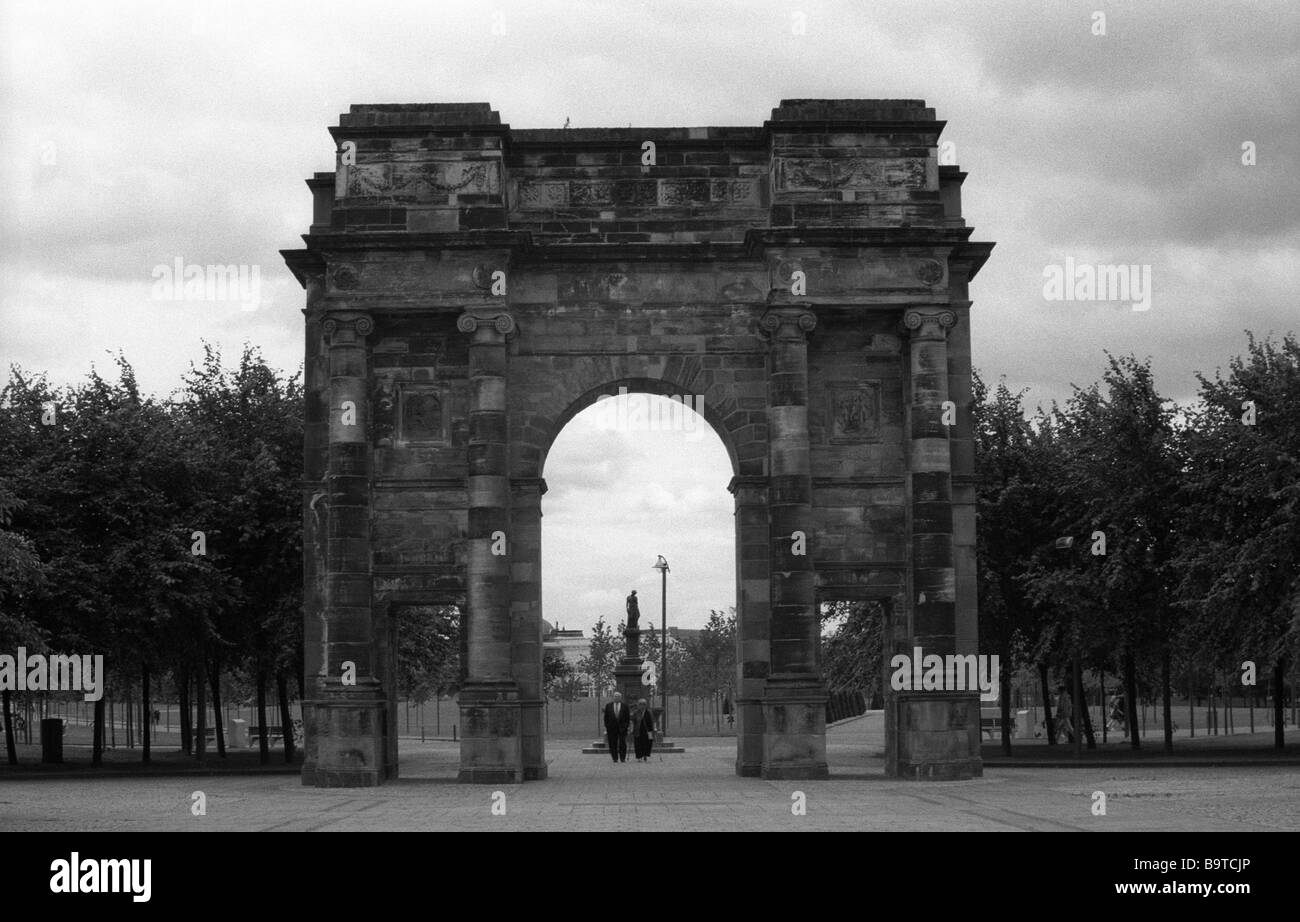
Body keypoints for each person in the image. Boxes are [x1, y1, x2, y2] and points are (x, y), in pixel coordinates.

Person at [603, 692, 630, 763]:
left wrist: (626, 726)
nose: (616, 697)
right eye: (615, 696)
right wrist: (607, 726)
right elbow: (606, 718)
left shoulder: (625, 706)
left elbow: (627, 718)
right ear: (613, 697)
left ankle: (622, 758)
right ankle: (615, 758)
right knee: (612, 743)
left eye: (618, 696)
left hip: (622, 728)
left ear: (620, 698)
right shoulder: (608, 706)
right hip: (611, 728)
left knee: (622, 743)